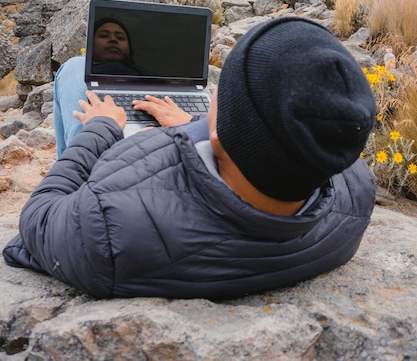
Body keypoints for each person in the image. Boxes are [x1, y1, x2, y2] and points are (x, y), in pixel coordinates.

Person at [3, 17, 376, 300]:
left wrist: (100, 129)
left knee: (72, 72)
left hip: (111, 199)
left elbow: (38, 218)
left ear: (222, 130)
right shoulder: (355, 188)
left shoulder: (106, 227)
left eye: (221, 95)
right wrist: (198, 125)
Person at [53, 19, 191, 157]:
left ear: (129, 49)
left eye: (120, 37)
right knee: (75, 65)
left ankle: (84, 156)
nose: (113, 39)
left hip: (143, 136)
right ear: (91, 45)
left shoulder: (149, 75)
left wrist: (190, 122)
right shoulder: (79, 69)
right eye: (104, 35)